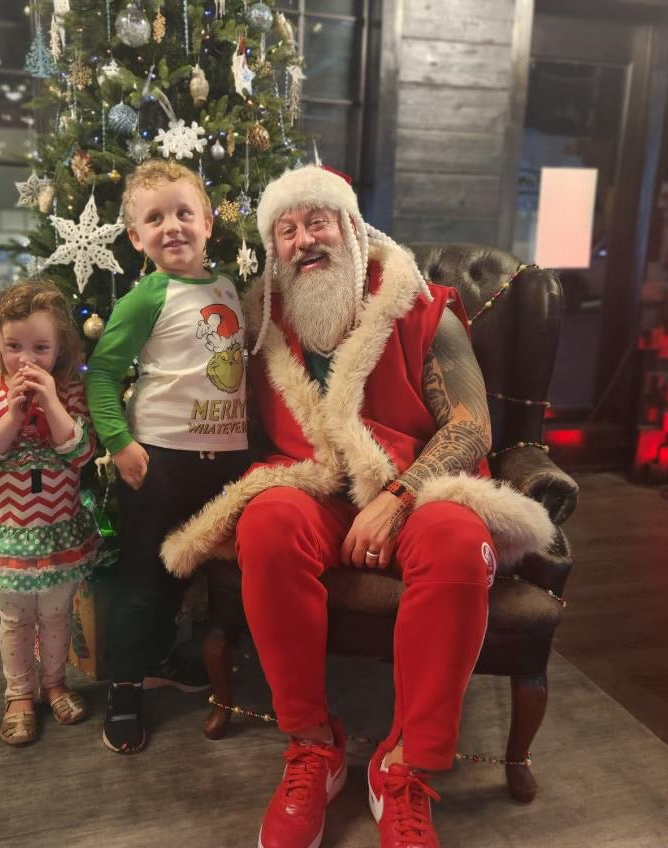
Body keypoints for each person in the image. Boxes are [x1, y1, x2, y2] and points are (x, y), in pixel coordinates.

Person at [161, 165, 555, 848]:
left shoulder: (418, 304)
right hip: (314, 486)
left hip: (421, 488)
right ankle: (313, 745)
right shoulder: (258, 326)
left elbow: (470, 427)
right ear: (273, 248)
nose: (303, 240)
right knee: (267, 523)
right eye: (285, 229)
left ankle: (404, 765)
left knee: (459, 546)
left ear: (348, 228)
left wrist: (399, 497)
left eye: (317, 221)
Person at [86, 159, 250, 754]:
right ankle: (125, 686)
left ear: (208, 222)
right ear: (136, 238)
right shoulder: (143, 298)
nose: (172, 226)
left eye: (185, 213)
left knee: (198, 576)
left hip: (228, 462)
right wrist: (120, 444)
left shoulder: (230, 288)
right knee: (145, 578)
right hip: (161, 462)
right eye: (155, 219)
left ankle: (166, 659)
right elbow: (102, 375)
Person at [0, 280, 98, 746]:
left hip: (59, 533)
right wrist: (13, 415)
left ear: (59, 349)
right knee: (16, 619)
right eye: (15, 347)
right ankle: (18, 694)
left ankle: (55, 682)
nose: (27, 359)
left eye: (40, 347)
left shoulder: (71, 393)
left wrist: (52, 402)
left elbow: (79, 453)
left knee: (57, 614)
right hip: (11, 536)